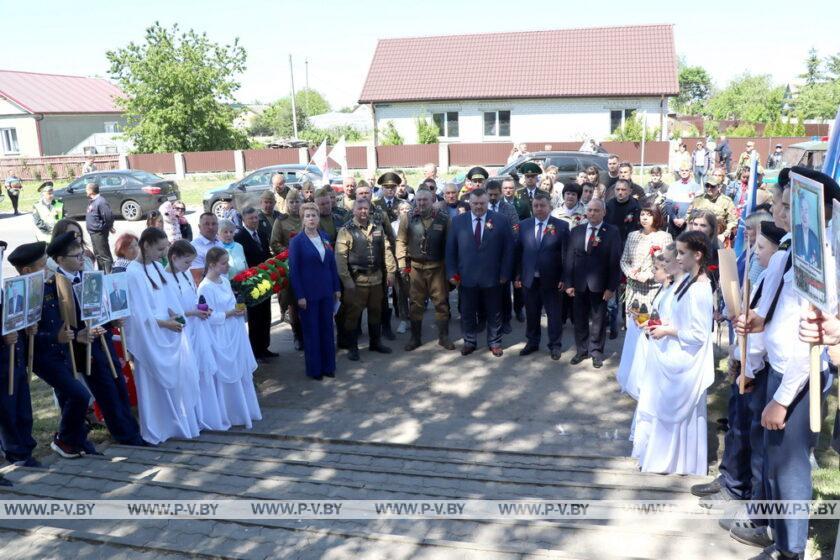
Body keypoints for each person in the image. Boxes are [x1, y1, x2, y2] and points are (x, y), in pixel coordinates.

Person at [731, 169, 836, 557]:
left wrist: (783, 398)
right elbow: (772, 307)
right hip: (775, 369)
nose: (779, 210)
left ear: (817, 212)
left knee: (790, 470)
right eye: (781, 202)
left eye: (791, 205)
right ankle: (777, 539)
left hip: (799, 377)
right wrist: (756, 320)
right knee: (772, 465)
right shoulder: (790, 248)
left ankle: (791, 549)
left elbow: (810, 339)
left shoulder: (821, 261)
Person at [48, 232, 147, 448]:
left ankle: (132, 431)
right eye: (76, 256)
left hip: (103, 340)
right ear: (60, 259)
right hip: (82, 349)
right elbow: (57, 321)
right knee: (107, 391)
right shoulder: (55, 285)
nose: (81, 259)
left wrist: (113, 320)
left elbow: (102, 308)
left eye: (81, 254)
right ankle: (125, 435)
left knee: (118, 384)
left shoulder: (87, 276)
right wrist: (78, 335)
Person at [637, 230, 715, 475]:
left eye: (682, 253)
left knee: (676, 412)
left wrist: (668, 332)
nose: (677, 258)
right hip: (673, 356)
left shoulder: (701, 288)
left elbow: (699, 334)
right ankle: (664, 458)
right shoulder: (687, 282)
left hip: (685, 361)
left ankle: (678, 461)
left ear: (698, 255)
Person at [11, 241, 97, 460]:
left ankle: (76, 438)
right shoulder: (19, 296)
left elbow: (61, 317)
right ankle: (64, 439)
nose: (48, 269)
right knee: (80, 395)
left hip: (62, 351)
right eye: (42, 265)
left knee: (68, 397)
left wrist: (76, 335)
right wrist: (52, 337)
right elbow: (23, 337)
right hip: (42, 357)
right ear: (27, 270)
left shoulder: (49, 285)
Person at [123, 228, 200, 444]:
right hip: (151, 337)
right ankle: (158, 427)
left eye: (165, 248)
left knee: (177, 382)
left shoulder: (157, 267)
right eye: (159, 248)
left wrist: (175, 314)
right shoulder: (133, 273)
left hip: (168, 332)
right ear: (145, 245)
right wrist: (165, 323)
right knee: (153, 385)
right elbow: (138, 315)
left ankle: (177, 423)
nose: (163, 253)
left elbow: (167, 299)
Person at [165, 240, 229, 431]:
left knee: (202, 371)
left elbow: (192, 298)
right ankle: (192, 417)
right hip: (184, 329)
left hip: (196, 327)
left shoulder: (184, 274)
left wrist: (201, 308)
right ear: (174, 258)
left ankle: (206, 414)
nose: (189, 267)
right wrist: (193, 312)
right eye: (186, 262)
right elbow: (170, 310)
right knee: (190, 372)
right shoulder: (166, 279)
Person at [445, 188, 514, 357]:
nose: (478, 207)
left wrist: (505, 273)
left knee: (494, 312)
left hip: (493, 277)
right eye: (475, 203)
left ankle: (495, 342)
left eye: (482, 203)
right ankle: (469, 342)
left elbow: (509, 250)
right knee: (467, 312)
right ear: (469, 203)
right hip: (466, 277)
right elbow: (450, 251)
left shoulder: (501, 220)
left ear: (487, 203)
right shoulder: (458, 221)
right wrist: (452, 274)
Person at [198, 247, 262, 427]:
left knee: (240, 369)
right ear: (212, 264)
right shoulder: (204, 288)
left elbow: (233, 303)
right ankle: (231, 413)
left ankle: (246, 411)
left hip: (235, 331)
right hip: (220, 334)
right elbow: (207, 316)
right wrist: (229, 313)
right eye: (224, 263)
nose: (228, 266)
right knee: (227, 372)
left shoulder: (224, 281)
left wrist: (239, 310)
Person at [335, 198, 396, 361]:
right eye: (360, 208)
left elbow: (387, 249)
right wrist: (347, 282)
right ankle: (352, 347)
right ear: (354, 210)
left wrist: (391, 271)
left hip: (376, 280)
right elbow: (340, 258)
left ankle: (375, 342)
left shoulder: (377, 227)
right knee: (352, 315)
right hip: (357, 281)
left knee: (376, 312)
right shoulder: (346, 230)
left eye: (365, 208)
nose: (363, 211)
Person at [564, 199, 622, 368]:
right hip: (579, 284)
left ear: (604, 212)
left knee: (598, 321)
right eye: (590, 210)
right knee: (580, 319)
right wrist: (568, 283)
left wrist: (611, 287)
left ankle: (596, 352)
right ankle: (581, 351)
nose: (592, 213)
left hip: (600, 285)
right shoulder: (577, 231)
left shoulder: (611, 232)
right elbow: (569, 259)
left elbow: (614, 261)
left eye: (597, 210)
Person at [395, 188, 454, 351]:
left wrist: (451, 270)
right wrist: (401, 264)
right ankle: (415, 338)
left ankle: (444, 337)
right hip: (415, 268)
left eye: (425, 200)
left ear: (432, 199)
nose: (421, 203)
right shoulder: (407, 218)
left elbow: (450, 245)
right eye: (418, 200)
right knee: (415, 304)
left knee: (441, 303)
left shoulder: (444, 218)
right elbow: (400, 241)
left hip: (437, 268)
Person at [289, 203, 341, 380]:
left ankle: (328, 366)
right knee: (312, 332)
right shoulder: (296, 242)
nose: (311, 219)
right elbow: (294, 271)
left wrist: (336, 288)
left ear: (318, 218)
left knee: (327, 329)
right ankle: (315, 369)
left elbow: (332, 265)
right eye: (307, 216)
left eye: (314, 215)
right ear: (302, 219)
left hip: (326, 292)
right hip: (308, 296)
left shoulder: (325, 237)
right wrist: (300, 295)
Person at [515, 192, 569, 360]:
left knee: (554, 314)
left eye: (542, 206)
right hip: (529, 278)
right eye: (536, 206)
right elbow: (518, 252)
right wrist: (517, 275)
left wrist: (564, 278)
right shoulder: (523, 225)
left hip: (552, 280)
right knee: (532, 312)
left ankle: (555, 345)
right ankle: (532, 341)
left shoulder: (561, 226)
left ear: (549, 207)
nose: (539, 209)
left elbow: (566, 255)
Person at [0, 270, 37, 469]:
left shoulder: (8, 290)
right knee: (7, 408)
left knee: (23, 407)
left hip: (17, 357)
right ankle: (15, 452)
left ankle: (25, 448)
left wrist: (27, 328)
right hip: (3, 361)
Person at [234, 206, 275, 360]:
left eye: (256, 217)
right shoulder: (239, 237)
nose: (255, 221)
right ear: (244, 220)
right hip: (251, 283)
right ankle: (256, 351)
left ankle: (265, 347)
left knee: (266, 315)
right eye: (251, 218)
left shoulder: (262, 234)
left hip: (265, 281)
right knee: (255, 318)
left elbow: (266, 255)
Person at [269, 189, 303, 348]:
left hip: (307, 267)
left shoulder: (307, 217)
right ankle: (297, 335)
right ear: (286, 203)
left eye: (297, 201)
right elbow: (274, 243)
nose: (295, 205)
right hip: (289, 267)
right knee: (294, 303)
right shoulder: (281, 221)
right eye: (291, 202)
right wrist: (290, 253)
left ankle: (308, 334)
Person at [690, 174, 738, 246]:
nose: (709, 188)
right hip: (700, 236)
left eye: (712, 186)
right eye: (707, 186)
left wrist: (724, 235)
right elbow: (689, 217)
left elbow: (733, 221)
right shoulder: (698, 200)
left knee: (724, 256)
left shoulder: (727, 201)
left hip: (719, 237)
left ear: (719, 187)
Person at [84, 181, 114, 273]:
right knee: (98, 255)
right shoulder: (93, 201)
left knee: (105, 256)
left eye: (86, 189)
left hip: (99, 233)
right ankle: (102, 274)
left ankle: (109, 276)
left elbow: (109, 217)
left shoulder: (101, 201)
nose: (85, 191)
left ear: (91, 191)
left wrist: (104, 228)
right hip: (93, 233)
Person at [666, 164, 701, 237]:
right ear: (679, 172)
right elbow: (668, 204)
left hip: (688, 222)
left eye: (686, 170)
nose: (684, 172)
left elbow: (697, 206)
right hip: (673, 222)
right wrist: (674, 218)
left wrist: (684, 219)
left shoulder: (696, 187)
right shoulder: (673, 186)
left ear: (690, 172)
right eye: (682, 170)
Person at [190, 213, 223, 278]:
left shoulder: (219, 242)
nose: (211, 227)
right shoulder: (194, 248)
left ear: (218, 226)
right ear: (199, 227)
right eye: (206, 224)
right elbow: (198, 278)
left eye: (214, 224)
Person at [793, 190, 820, 266]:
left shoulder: (814, 239)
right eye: (802, 210)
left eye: (807, 211)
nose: (804, 215)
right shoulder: (795, 231)